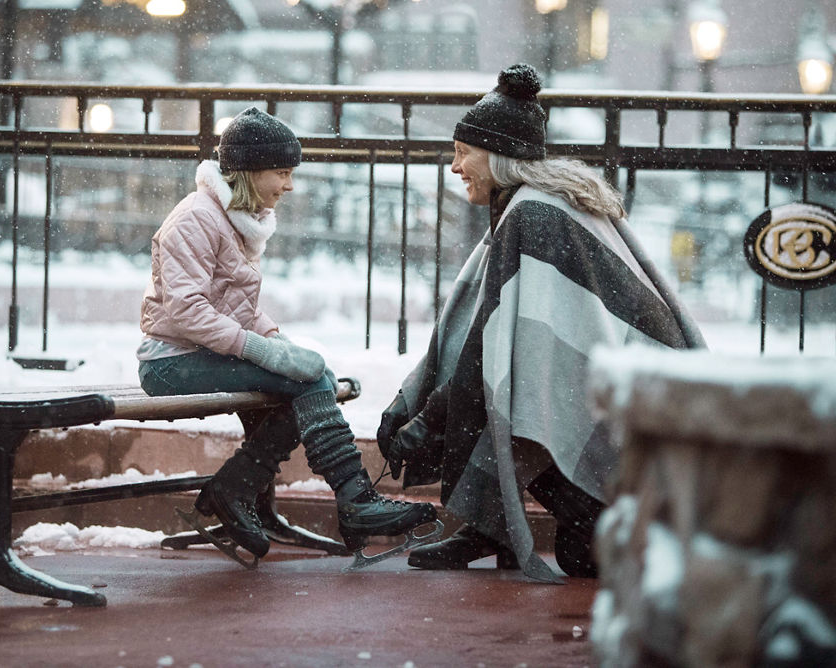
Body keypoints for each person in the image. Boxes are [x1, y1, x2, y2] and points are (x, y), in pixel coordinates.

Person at [377, 64, 707, 583]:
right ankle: (491, 527)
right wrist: (416, 404)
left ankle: (557, 520)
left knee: (522, 394)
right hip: (634, 392)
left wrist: (427, 419)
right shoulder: (535, 203)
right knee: (515, 386)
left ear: (499, 155)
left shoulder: (534, 214)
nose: (455, 165)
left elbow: (495, 352)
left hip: (627, 406)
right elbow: (488, 335)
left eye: (464, 152)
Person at [138, 106, 437, 567]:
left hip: (200, 352)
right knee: (307, 382)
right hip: (170, 361)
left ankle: (236, 489)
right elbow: (186, 311)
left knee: (311, 377)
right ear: (248, 171)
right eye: (282, 172)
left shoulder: (235, 220)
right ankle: (351, 501)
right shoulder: (196, 218)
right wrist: (264, 351)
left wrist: (279, 342)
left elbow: (238, 307)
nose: (289, 185)